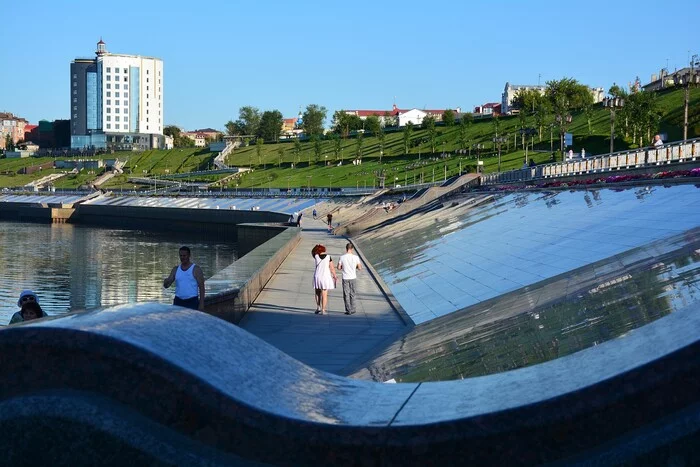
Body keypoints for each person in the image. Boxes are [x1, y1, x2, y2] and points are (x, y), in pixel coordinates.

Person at [163, 246, 205, 311]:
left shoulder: (196, 269)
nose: (182, 257)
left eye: (184, 255)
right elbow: (167, 285)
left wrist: (201, 304)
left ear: (189, 255)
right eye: (181, 256)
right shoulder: (175, 269)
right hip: (178, 301)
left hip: (192, 301)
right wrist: (165, 282)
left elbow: (202, 288)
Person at [338, 242, 363, 315]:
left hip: (345, 277)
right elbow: (360, 268)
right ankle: (353, 309)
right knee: (353, 293)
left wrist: (344, 267)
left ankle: (348, 310)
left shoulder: (342, 257)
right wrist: (354, 266)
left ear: (346, 249)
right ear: (352, 249)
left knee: (346, 294)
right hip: (353, 277)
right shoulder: (356, 257)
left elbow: (339, 267)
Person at [312, 244, 336, 315]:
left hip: (317, 276)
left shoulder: (316, 256)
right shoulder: (328, 257)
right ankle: (323, 310)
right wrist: (334, 275)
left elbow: (312, 251)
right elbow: (332, 268)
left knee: (317, 292)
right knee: (324, 294)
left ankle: (318, 307)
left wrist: (317, 246)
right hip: (325, 277)